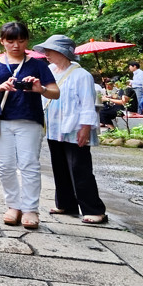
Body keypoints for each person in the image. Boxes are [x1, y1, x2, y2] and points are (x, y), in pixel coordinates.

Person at [0, 21, 59, 230]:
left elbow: (55, 92)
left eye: (21, 40)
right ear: (2, 41)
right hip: (1, 120)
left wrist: (39, 89)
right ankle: (13, 206)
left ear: (27, 41)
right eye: (11, 40)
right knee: (5, 166)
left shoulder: (38, 64)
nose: (16, 45)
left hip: (29, 119)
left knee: (29, 165)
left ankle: (31, 209)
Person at [33, 35, 107, 224]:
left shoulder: (82, 75)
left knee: (80, 168)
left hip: (74, 128)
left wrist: (85, 128)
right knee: (59, 167)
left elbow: (87, 104)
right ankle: (66, 203)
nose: (46, 54)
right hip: (54, 126)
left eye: (50, 51)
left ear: (62, 52)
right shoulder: (50, 71)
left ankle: (94, 209)